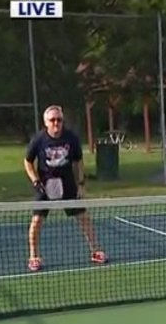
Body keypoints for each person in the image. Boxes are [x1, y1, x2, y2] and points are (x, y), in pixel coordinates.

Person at [24, 105, 107, 272]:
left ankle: (95, 251)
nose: (56, 123)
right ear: (46, 122)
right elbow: (27, 161)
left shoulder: (71, 138)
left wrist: (81, 184)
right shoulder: (38, 139)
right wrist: (35, 180)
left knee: (83, 218)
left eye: (59, 120)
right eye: (52, 120)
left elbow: (78, 161)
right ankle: (33, 256)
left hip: (68, 184)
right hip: (45, 186)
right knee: (37, 221)